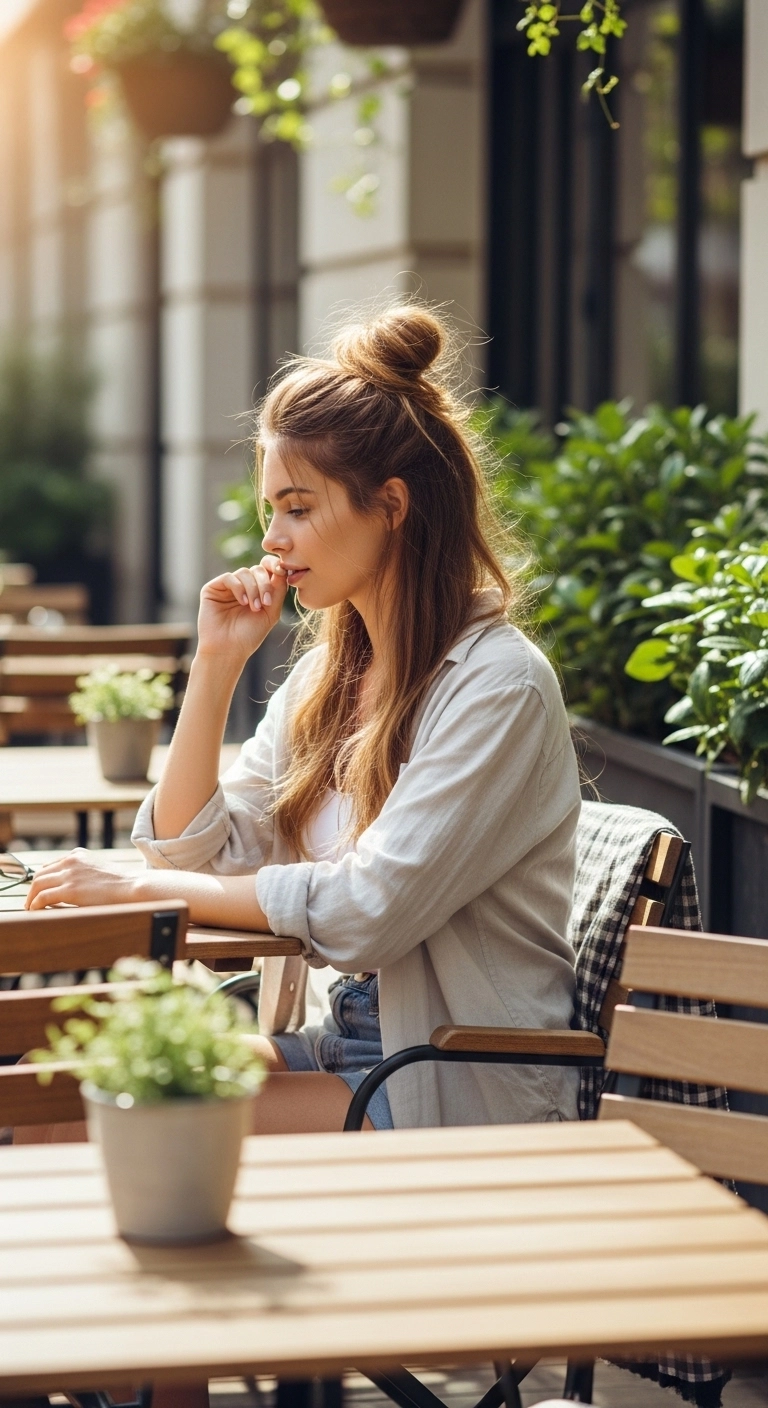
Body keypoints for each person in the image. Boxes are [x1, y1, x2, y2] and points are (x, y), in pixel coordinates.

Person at [25, 303, 582, 1136]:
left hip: (443, 1077)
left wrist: (138, 887)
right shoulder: (333, 672)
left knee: (91, 1124)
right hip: (333, 1047)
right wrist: (215, 667)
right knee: (51, 1094)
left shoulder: (498, 687)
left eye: (298, 506)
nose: (273, 542)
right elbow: (192, 850)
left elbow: (366, 911)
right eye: (269, 512)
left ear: (390, 505)